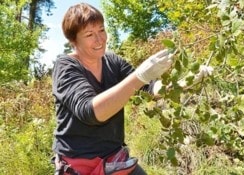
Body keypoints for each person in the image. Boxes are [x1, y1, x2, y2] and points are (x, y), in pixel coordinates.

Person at [52, 3, 212, 175]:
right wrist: (138, 77)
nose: (100, 39)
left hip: (114, 158)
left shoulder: (112, 62)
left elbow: (149, 88)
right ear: (73, 40)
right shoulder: (66, 67)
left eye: (101, 30)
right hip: (80, 164)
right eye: (89, 34)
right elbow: (91, 112)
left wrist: (185, 82)